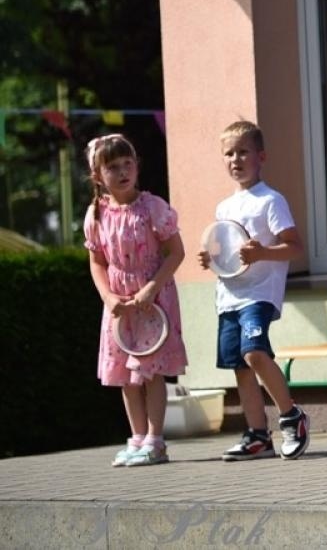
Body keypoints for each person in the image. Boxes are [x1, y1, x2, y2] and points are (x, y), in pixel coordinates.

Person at [198, 121, 310, 460]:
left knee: (254, 353)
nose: (236, 159)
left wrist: (262, 253)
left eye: (243, 152)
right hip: (228, 297)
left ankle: (291, 416)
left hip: (259, 294)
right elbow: (227, 253)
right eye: (229, 154)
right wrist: (211, 258)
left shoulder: (271, 201)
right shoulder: (224, 207)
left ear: (261, 157)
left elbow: (295, 247)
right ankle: (258, 436)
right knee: (241, 366)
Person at [83, 134, 187, 467]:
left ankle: (156, 440)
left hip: (152, 301)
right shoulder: (96, 215)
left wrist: (151, 288)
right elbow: (97, 262)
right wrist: (107, 296)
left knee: (150, 371)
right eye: (113, 167)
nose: (123, 172)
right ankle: (138, 437)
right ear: (98, 175)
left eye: (127, 164)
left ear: (137, 167)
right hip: (120, 305)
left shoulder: (153, 208)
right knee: (125, 374)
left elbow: (176, 252)